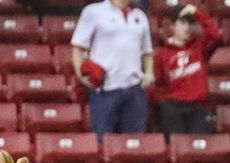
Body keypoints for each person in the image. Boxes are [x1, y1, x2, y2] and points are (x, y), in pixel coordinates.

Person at [71, 0, 154, 138]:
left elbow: (147, 52)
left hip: (134, 89)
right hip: (105, 89)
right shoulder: (93, 11)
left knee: (135, 141)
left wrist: (149, 72)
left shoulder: (140, 15)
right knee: (103, 140)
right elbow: (78, 47)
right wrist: (81, 74)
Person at [154, 4, 222, 136]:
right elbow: (157, 84)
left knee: (200, 152)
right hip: (174, 108)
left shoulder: (199, 46)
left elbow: (216, 35)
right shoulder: (161, 54)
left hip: (198, 107)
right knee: (178, 150)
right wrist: (166, 101)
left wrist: (198, 13)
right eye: (183, 23)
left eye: (190, 23)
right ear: (173, 26)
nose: (187, 27)